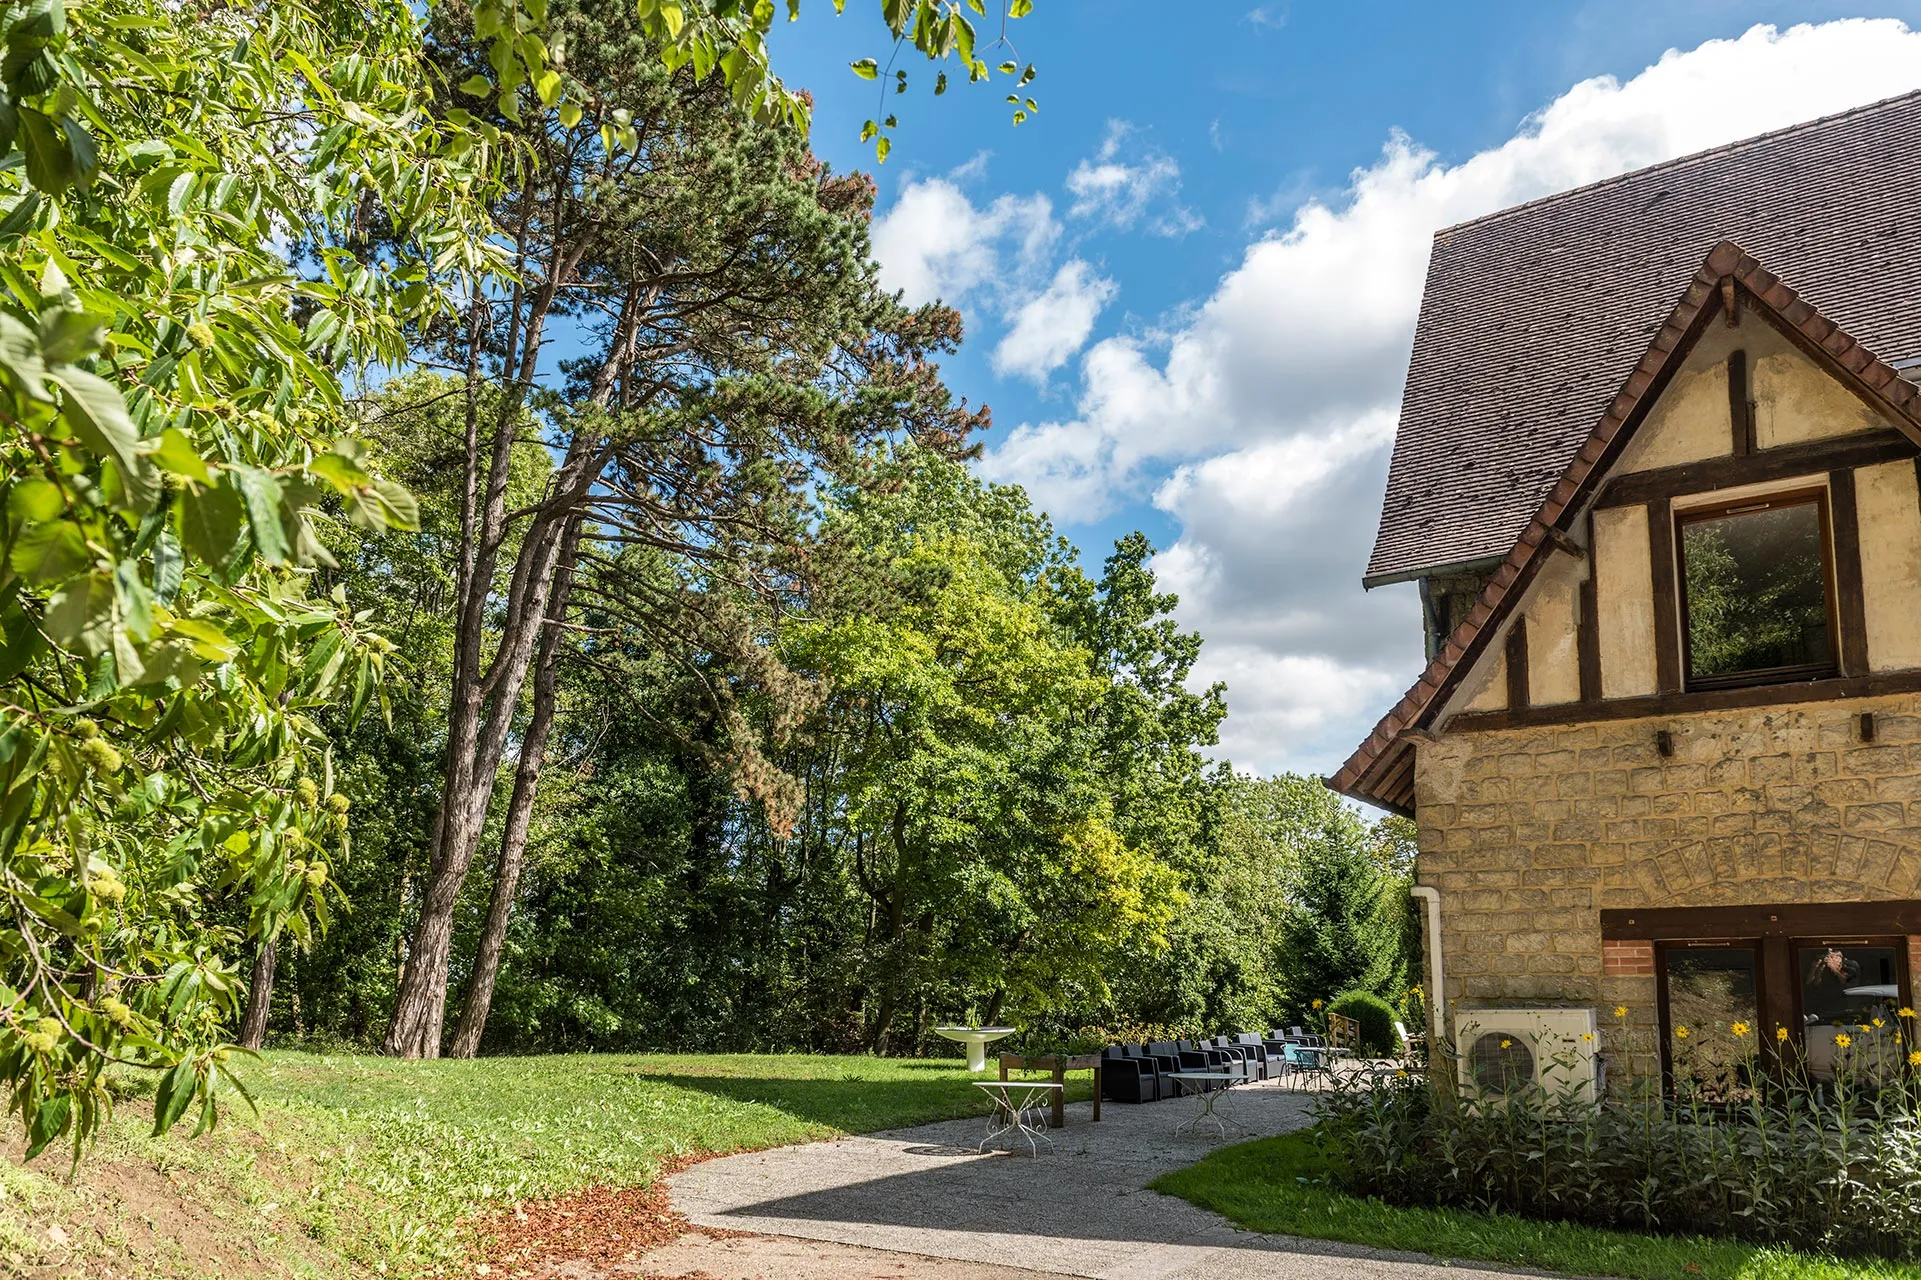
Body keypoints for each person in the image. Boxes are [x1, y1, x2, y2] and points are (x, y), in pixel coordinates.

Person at [1803, 947, 1860, 1022]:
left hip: (1845, 1009)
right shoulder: (1825, 967)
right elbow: (1813, 984)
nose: (1829, 959)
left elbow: (1847, 983)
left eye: (1832, 957)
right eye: (1828, 956)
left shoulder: (1850, 965)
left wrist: (1833, 968)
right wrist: (1816, 969)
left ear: (1839, 956)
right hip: (1824, 1009)